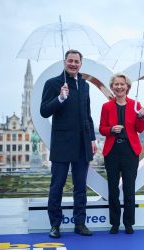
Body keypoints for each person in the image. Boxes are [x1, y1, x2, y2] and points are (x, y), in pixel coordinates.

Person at [40, 49, 97, 238]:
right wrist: (60, 98)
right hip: (62, 143)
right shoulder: (53, 83)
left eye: (76, 61)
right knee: (57, 186)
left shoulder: (85, 85)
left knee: (80, 187)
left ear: (81, 63)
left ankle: (80, 224)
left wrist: (92, 138)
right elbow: (44, 111)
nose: (73, 64)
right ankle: (55, 225)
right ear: (64, 62)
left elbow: (87, 114)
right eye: (70, 60)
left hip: (82, 144)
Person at [99, 73, 144, 234]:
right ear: (112, 87)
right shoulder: (106, 106)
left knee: (129, 189)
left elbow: (140, 129)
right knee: (112, 189)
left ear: (128, 87)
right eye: (116, 84)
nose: (119, 87)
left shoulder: (135, 104)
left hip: (130, 152)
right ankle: (114, 223)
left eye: (122, 84)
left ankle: (128, 223)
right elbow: (102, 129)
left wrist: (140, 116)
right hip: (112, 151)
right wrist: (111, 129)